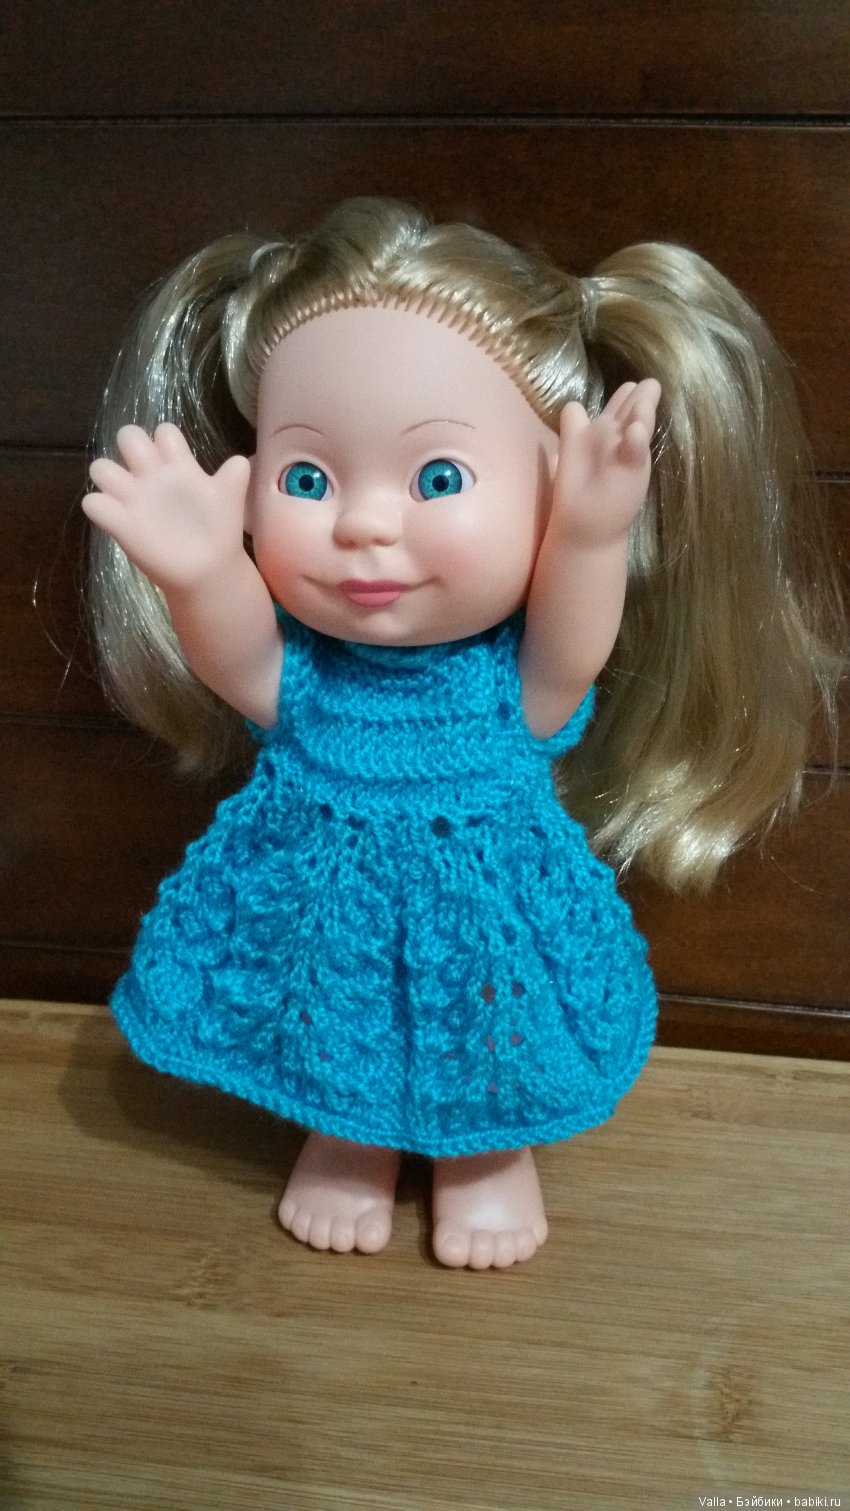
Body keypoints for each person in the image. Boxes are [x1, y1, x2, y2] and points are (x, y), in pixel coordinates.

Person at [84, 197, 841, 1269]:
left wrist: (591, 535)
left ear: (545, 483)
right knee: (334, 1014)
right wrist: (204, 569)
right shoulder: (312, 683)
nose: (363, 523)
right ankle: (346, 1137)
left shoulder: (503, 690)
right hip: (327, 914)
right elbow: (242, 660)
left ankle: (486, 1154)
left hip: (487, 916)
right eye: (307, 478)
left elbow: (571, 652)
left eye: (437, 477)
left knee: (490, 1020)